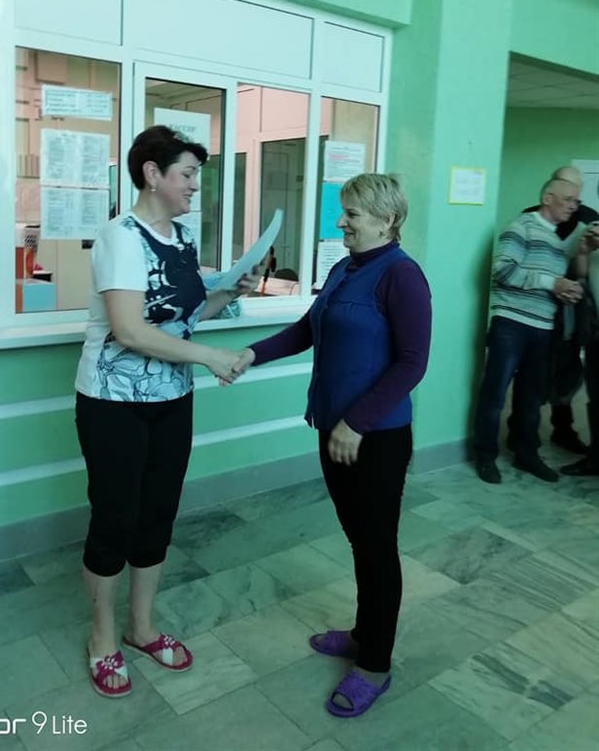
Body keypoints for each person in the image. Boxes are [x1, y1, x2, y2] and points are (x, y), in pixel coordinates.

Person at [232, 173, 431, 719]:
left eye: (353, 214)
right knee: (359, 538)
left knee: (377, 546)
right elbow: (307, 329)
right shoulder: (347, 268)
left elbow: (412, 362)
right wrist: (251, 354)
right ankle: (364, 631)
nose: (341, 222)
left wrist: (358, 422)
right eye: (343, 212)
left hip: (376, 437)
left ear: (387, 220)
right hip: (335, 430)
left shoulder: (402, 276)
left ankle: (375, 665)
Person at [74, 125, 257, 698]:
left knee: (158, 514)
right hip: (113, 403)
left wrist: (231, 292)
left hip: (172, 400)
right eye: (188, 174)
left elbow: (184, 318)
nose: (195, 185)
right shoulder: (119, 237)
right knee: (115, 518)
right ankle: (102, 637)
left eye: (197, 175)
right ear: (152, 174)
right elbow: (129, 330)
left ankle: (141, 627)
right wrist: (210, 357)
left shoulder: (181, 238)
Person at [473, 177, 583, 485]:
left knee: (531, 398)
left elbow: (547, 285)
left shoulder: (558, 242)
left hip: (542, 328)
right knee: (495, 394)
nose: (574, 206)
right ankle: (485, 456)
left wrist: (566, 291)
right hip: (511, 324)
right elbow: (502, 271)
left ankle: (526, 454)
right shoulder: (520, 227)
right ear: (548, 198)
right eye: (568, 199)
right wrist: (552, 283)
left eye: (576, 201)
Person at [510, 165, 599, 454]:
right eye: (567, 192)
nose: (573, 200)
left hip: (570, 309)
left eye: (577, 194)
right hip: (533, 306)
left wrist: (578, 264)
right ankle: (520, 430)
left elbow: (584, 271)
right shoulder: (529, 217)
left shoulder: (589, 218)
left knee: (567, 366)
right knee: (529, 369)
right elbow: (516, 265)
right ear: (552, 189)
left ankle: (563, 428)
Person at [561, 221, 599, 476]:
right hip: (595, 333)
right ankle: (595, 459)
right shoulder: (594, 232)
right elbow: (584, 277)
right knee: (595, 398)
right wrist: (584, 252)